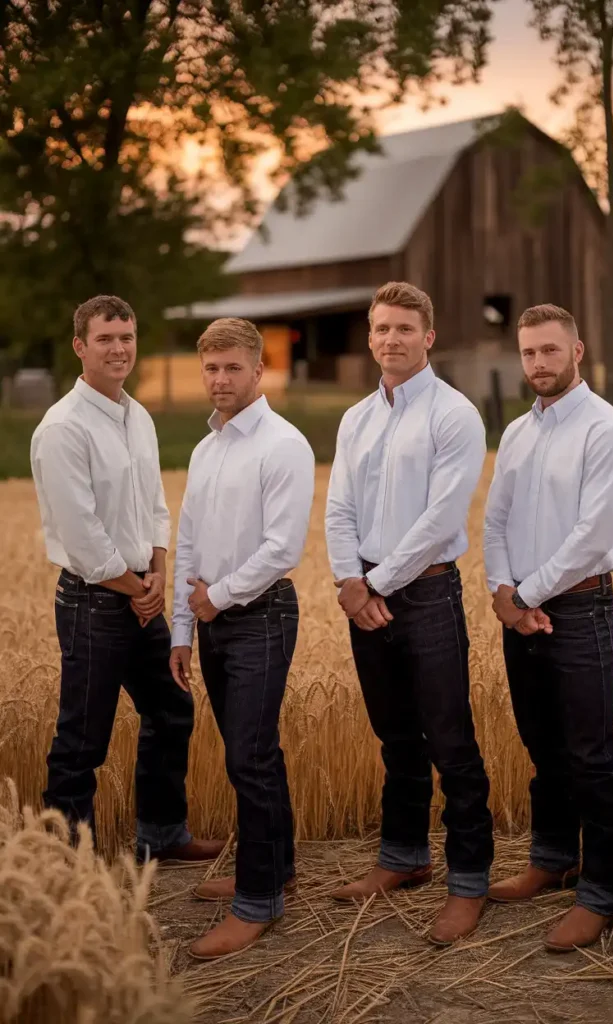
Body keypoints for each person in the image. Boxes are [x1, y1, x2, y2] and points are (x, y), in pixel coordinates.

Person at [325, 281, 493, 946]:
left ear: (427, 337)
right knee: (395, 739)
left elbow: (439, 520)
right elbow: (338, 506)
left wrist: (375, 586)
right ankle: (402, 857)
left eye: (403, 329)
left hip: (423, 592)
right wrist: (349, 579)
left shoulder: (452, 416)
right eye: (380, 328)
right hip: (364, 593)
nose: (389, 339)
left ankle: (468, 882)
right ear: (369, 336)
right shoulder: (356, 418)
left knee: (450, 743)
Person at [30, 294, 224, 865]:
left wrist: (159, 573)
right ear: (80, 347)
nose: (119, 349)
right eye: (106, 339)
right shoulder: (63, 428)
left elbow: (155, 510)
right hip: (94, 603)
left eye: (127, 337)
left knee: (171, 709)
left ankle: (161, 836)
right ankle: (67, 864)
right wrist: (138, 589)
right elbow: (82, 534)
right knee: (82, 739)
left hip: (142, 596)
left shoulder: (136, 415)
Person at [484, 303, 613, 952]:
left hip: (577, 608)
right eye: (528, 353)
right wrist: (501, 593)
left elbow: (590, 536)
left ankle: (601, 893)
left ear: (576, 351)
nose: (538, 364)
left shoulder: (607, 431)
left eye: (550, 351)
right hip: (520, 611)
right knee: (541, 745)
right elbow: (494, 519)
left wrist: (524, 593)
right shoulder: (519, 433)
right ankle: (552, 859)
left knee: (589, 753)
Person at [170, 317, 315, 959]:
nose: (221, 379)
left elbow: (283, 548)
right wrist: (181, 628)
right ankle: (275, 867)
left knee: (248, 758)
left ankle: (256, 903)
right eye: (212, 369)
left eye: (233, 368)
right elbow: (190, 545)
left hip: (261, 615)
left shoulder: (283, 445)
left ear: (259, 371)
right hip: (210, 621)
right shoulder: (207, 449)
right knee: (252, 751)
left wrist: (217, 597)